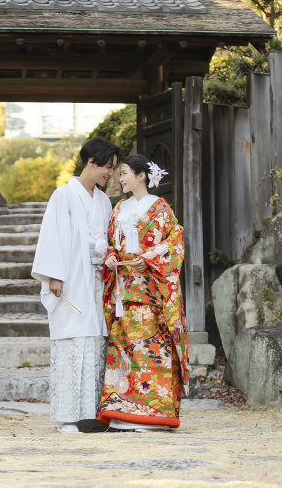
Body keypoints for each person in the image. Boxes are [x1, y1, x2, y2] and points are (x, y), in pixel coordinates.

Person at [31, 137, 119, 433]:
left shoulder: (104, 201)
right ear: (91, 162)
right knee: (73, 341)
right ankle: (69, 416)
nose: (111, 173)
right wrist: (55, 275)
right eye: (108, 166)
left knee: (95, 340)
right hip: (70, 278)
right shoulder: (63, 195)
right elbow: (52, 236)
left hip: (97, 279)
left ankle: (93, 415)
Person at [98, 154, 190, 431]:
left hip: (151, 295)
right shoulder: (118, 210)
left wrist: (150, 258)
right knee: (123, 352)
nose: (120, 178)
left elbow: (175, 243)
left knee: (153, 353)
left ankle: (155, 414)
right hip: (123, 295)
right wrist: (111, 257)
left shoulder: (161, 208)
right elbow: (111, 244)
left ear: (141, 175)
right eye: (119, 174)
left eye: (124, 173)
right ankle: (122, 411)